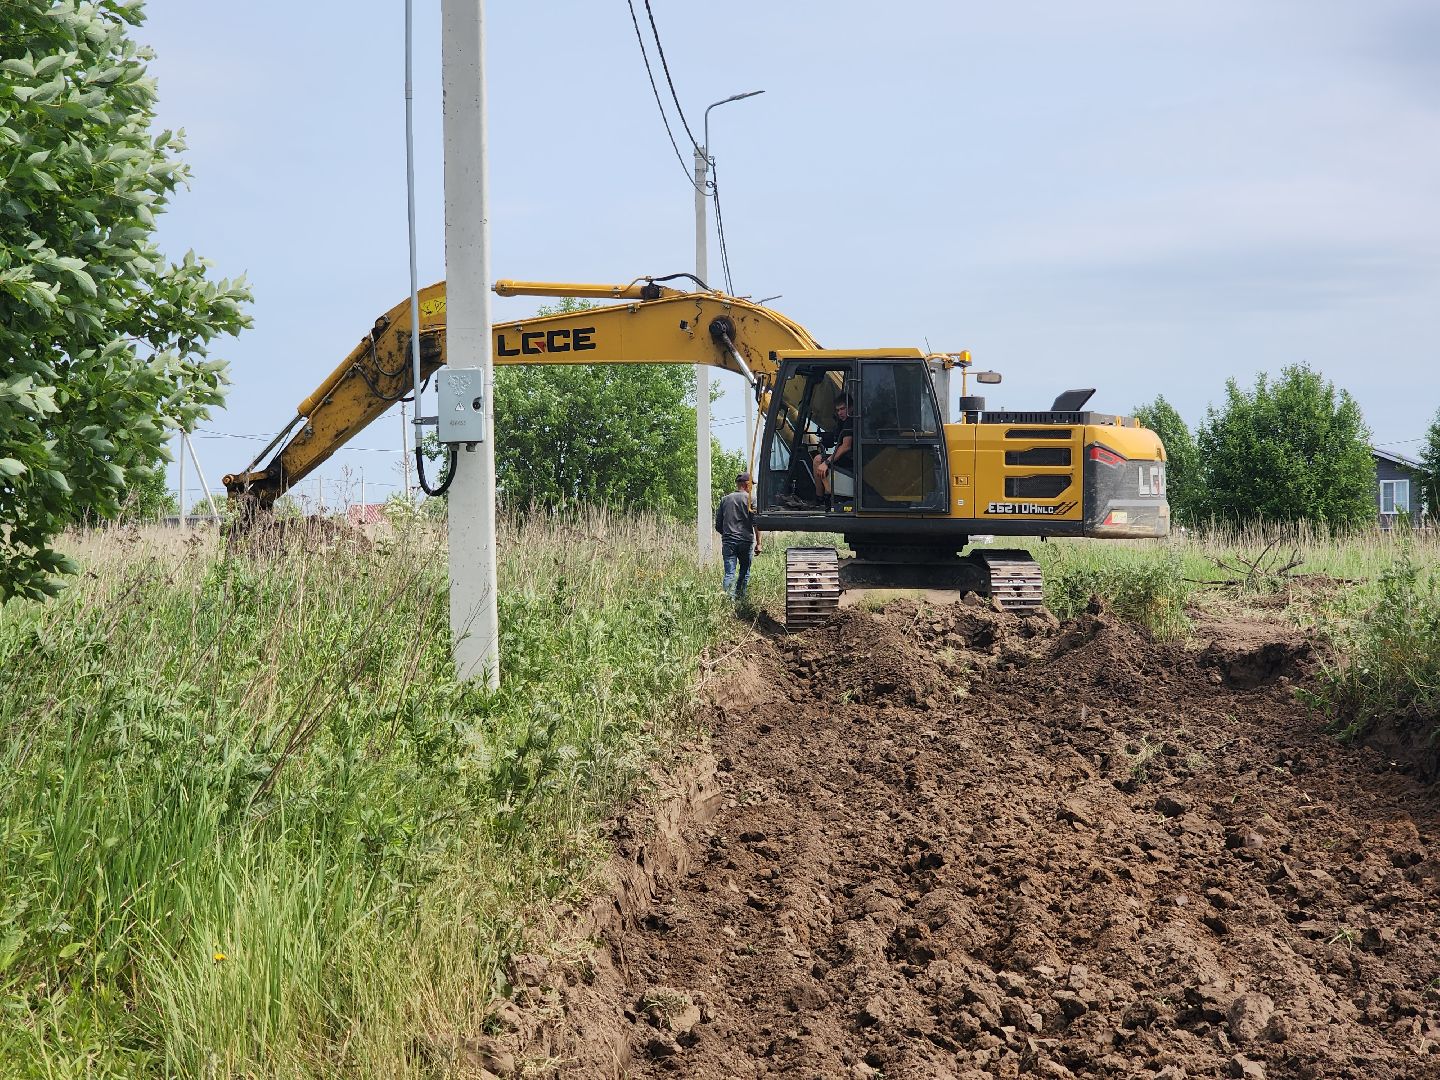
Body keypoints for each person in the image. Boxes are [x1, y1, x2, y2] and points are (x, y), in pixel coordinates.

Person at [715, 471, 762, 601]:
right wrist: (759, 543)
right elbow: (757, 523)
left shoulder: (725, 500)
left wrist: (727, 535)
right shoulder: (751, 499)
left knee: (729, 573)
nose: (752, 487)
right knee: (744, 572)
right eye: (752, 485)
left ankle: (729, 602)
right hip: (746, 541)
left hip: (728, 542)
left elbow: (718, 524)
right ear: (746, 485)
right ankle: (741, 600)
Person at [812, 394, 854, 500]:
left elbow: (846, 446)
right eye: (838, 410)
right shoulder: (844, 422)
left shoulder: (850, 421)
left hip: (852, 459)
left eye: (843, 409)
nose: (840, 413)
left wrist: (826, 463)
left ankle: (819, 498)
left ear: (851, 407)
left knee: (817, 461)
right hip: (850, 457)